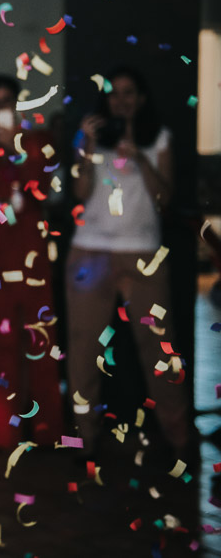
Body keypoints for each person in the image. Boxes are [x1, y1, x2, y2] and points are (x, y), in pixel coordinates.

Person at [66, 66, 191, 461]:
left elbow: (163, 200)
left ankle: (180, 441)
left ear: (141, 98)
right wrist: (85, 149)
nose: (121, 99)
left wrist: (139, 158)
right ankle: (84, 440)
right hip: (90, 252)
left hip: (143, 255)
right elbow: (79, 194)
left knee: (160, 350)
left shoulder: (160, 138)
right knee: (85, 350)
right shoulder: (92, 141)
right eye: (114, 93)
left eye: (128, 92)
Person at [0, 74, 63, 447]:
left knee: (38, 337)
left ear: (17, 105)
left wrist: (16, 151)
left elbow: (41, 190)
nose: (1, 107)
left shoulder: (39, 141)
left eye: (7, 100)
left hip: (30, 250)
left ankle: (45, 431)